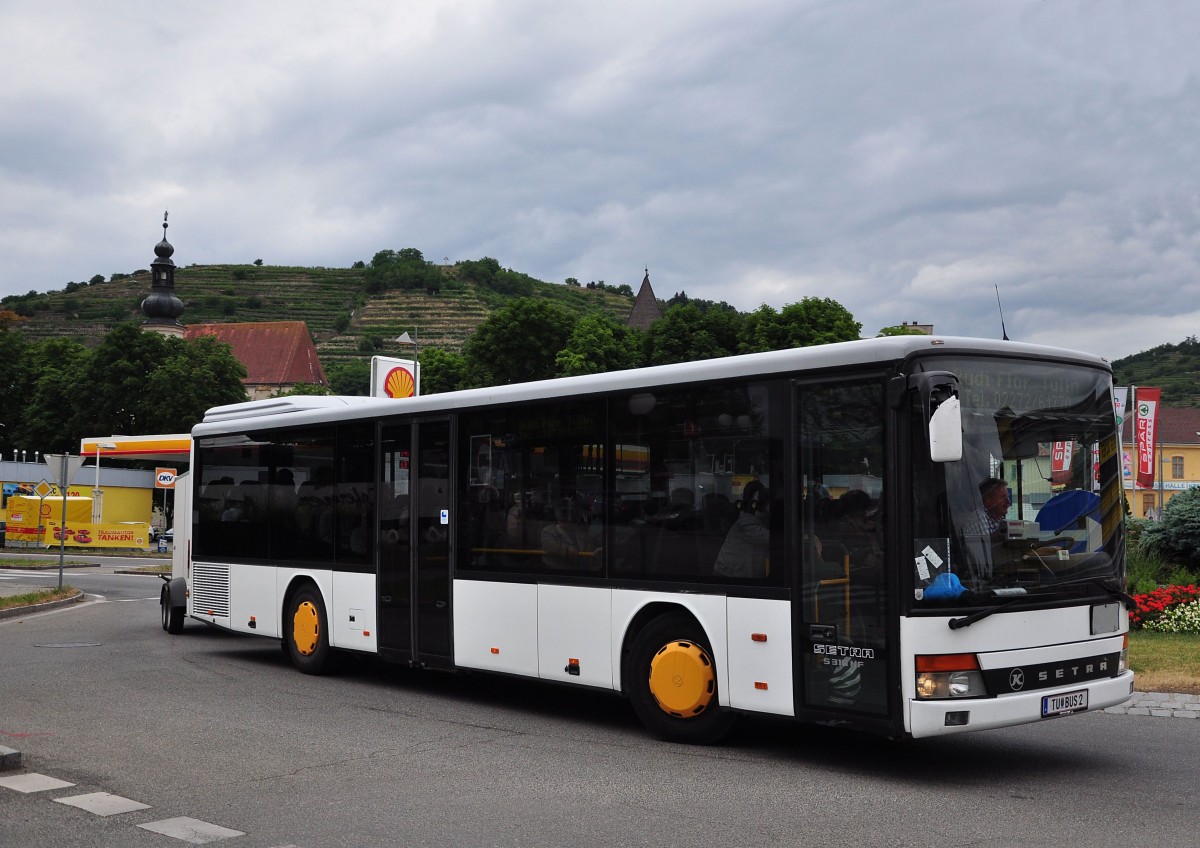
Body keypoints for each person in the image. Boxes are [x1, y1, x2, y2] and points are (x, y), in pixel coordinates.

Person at [713, 481, 771, 578]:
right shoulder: (747, 523)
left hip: (734, 574)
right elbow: (771, 539)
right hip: (728, 576)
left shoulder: (750, 519)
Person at [541, 500, 594, 568]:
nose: (567, 524)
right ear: (558, 520)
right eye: (563, 521)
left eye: (570, 521)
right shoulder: (548, 530)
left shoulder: (579, 531)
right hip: (558, 569)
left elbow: (589, 548)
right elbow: (549, 545)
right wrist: (567, 549)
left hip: (580, 568)